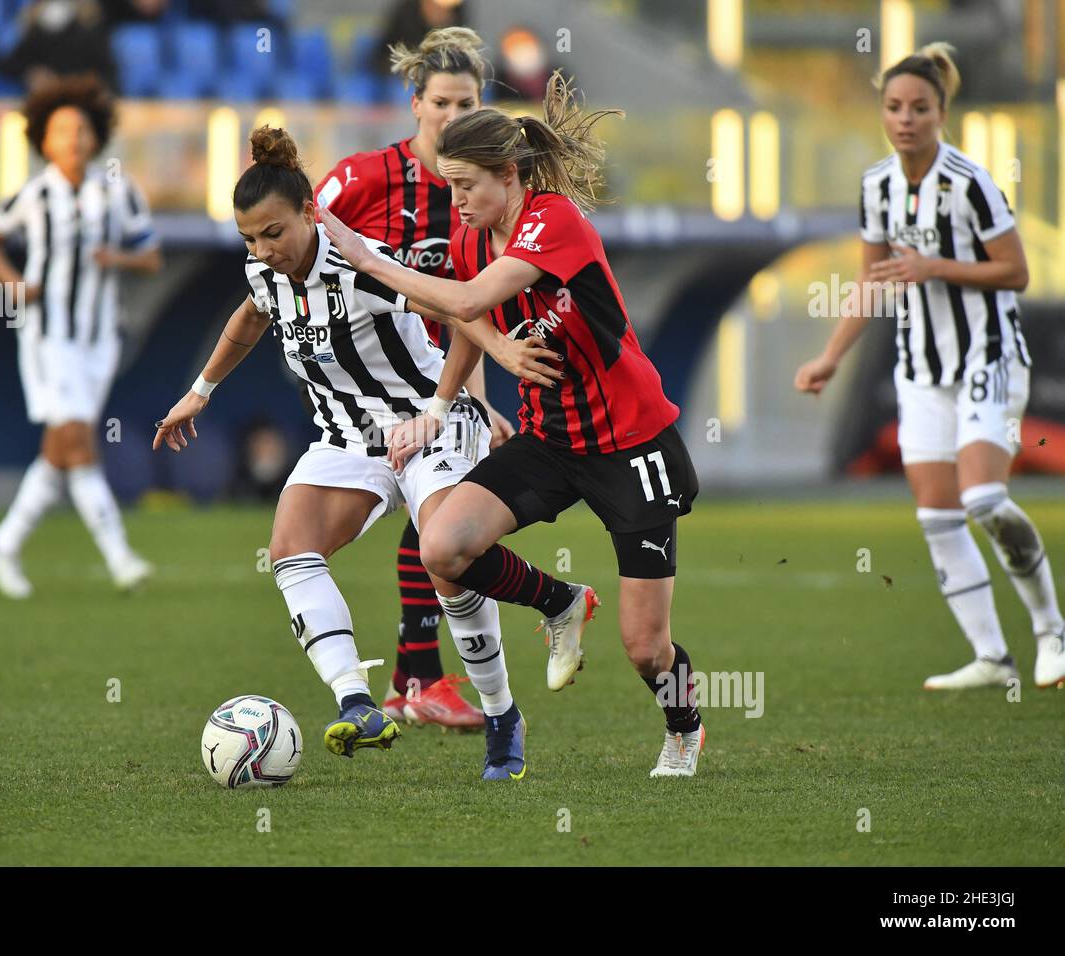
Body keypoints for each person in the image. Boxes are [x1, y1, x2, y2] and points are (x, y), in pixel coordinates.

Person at [321, 72, 708, 777]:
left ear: (508, 174)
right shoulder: (474, 235)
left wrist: (370, 259)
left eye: (466, 184)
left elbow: (466, 297)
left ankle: (683, 728)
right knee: (442, 546)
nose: (455, 199)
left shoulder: (551, 220)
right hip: (550, 440)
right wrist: (438, 405)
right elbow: (470, 318)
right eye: (447, 185)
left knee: (646, 647)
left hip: (629, 443)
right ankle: (561, 603)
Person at [153, 127, 556, 779]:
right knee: (290, 548)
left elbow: (457, 315)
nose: (262, 250)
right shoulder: (266, 271)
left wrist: (449, 403)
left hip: (430, 425)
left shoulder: (359, 265)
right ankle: (359, 703)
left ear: (311, 214)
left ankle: (502, 716)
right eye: (249, 239)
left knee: (448, 561)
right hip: (349, 438)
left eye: (273, 234)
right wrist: (200, 391)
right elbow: (250, 317)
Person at [794, 43, 1065, 691]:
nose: (905, 118)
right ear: (882, 114)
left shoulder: (970, 182)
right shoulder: (876, 186)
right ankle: (992, 657)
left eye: (919, 107)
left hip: (987, 355)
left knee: (985, 499)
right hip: (921, 368)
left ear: (942, 112)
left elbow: (1017, 271)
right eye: (893, 107)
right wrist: (830, 357)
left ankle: (1051, 631)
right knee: (938, 517)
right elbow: (871, 281)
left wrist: (934, 266)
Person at [315, 26, 516, 729]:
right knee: (438, 516)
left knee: (446, 517)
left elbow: (475, 309)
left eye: (468, 104)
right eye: (442, 104)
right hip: (370, 385)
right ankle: (418, 679)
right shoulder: (363, 179)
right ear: (415, 104)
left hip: (442, 387)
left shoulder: (483, 195)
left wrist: (480, 402)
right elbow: (292, 242)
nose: (455, 118)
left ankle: (413, 682)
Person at [0, 74, 160, 599]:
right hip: (48, 335)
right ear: (43, 140)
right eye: (61, 131)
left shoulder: (119, 190)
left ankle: (1, 546)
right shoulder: (32, 194)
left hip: (99, 340)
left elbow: (150, 257)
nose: (72, 139)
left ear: (96, 136)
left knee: (59, 448)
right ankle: (120, 556)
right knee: (77, 439)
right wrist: (14, 284)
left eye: (80, 129)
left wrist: (116, 259)